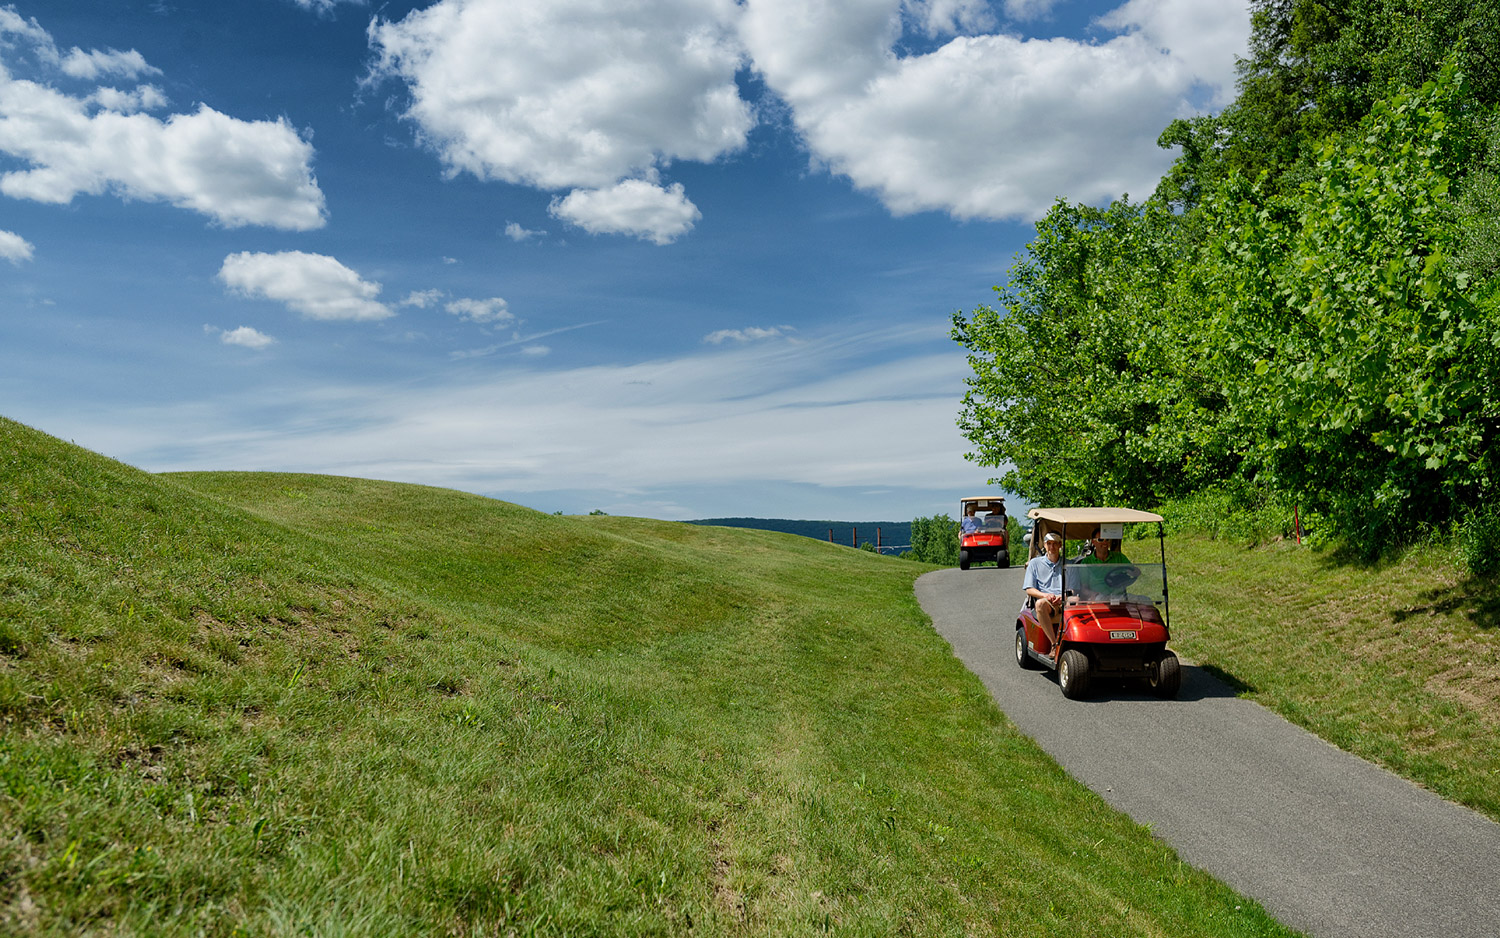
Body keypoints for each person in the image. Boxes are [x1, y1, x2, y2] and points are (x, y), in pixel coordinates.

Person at [1023, 531, 1066, 651]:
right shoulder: (1035, 563)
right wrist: (1045, 595)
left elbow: (1075, 588)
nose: (1052, 547)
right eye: (1049, 543)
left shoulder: (1067, 564)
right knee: (1040, 604)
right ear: (1045, 545)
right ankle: (1054, 644)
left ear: (1060, 545)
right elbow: (1029, 589)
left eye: (1055, 544)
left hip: (1066, 599)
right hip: (1048, 601)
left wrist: (1063, 596)